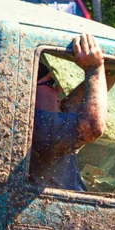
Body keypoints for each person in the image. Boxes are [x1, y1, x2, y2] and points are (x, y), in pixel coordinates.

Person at [30, 33, 109, 189]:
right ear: (30, 92)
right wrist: (94, 69)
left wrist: (104, 67)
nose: (59, 89)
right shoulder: (41, 129)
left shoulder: (45, 122)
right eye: (52, 84)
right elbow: (91, 128)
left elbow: (77, 102)